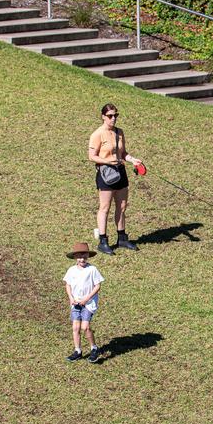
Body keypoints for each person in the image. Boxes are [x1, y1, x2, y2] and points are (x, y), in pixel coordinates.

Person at [87, 103, 145, 256]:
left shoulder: (119, 132)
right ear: (103, 117)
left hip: (120, 172)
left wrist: (133, 160)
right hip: (106, 173)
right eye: (110, 116)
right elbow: (91, 156)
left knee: (122, 206)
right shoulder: (97, 134)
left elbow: (123, 152)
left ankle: (122, 238)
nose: (113, 118)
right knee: (105, 207)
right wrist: (107, 161)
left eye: (116, 115)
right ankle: (103, 241)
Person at [62, 242, 104, 363]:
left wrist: (87, 298)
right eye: (80, 257)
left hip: (88, 303)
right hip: (75, 303)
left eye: (85, 256)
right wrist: (71, 297)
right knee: (75, 327)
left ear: (88, 257)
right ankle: (77, 351)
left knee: (85, 327)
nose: (82, 259)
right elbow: (68, 285)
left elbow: (97, 286)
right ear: (75, 258)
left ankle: (94, 348)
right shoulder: (71, 270)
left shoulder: (92, 270)